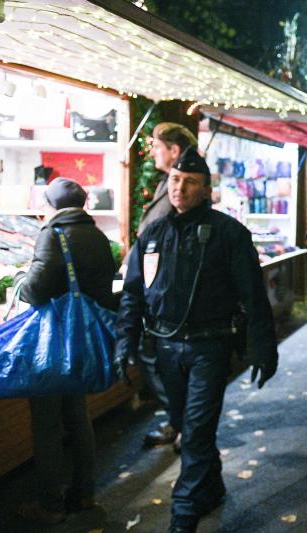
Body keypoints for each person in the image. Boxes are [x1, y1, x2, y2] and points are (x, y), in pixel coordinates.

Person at [114, 148, 279, 533]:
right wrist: (126, 343)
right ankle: (211, 488)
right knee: (187, 424)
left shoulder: (228, 234)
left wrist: (263, 348)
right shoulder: (152, 234)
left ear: (207, 190)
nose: (179, 188)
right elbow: (133, 295)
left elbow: (254, 297)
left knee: (196, 431)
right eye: (174, 179)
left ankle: (183, 514)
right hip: (166, 350)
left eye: (190, 182)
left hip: (210, 347)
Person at [16, 178, 116, 525]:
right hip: (83, 344)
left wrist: (20, 282)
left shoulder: (54, 234)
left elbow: (36, 290)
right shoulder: (99, 236)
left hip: (52, 345)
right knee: (77, 416)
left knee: (46, 424)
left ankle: (51, 503)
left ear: (53, 204)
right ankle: (84, 492)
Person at [138, 122, 198, 449]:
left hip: (165, 288)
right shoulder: (167, 183)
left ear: (174, 150)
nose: (152, 152)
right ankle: (178, 421)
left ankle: (182, 423)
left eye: (157, 146)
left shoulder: (178, 186)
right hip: (156, 285)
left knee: (160, 357)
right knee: (158, 357)